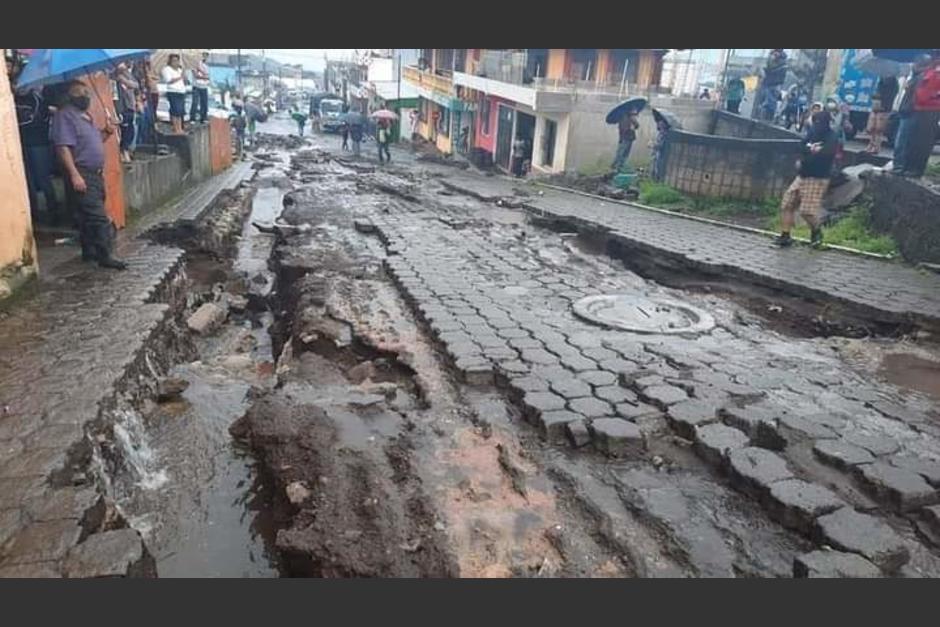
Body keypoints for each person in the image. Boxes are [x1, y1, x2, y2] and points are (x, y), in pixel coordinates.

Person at [50, 80, 126, 269]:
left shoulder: (85, 116)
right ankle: (105, 255)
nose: (84, 96)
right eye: (79, 92)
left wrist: (107, 132)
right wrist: (74, 174)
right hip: (81, 171)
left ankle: (89, 251)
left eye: (86, 92)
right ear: (69, 96)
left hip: (95, 173)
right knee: (98, 217)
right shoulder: (65, 116)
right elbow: (63, 147)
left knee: (86, 216)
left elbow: (93, 140)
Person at [772, 110, 838, 250]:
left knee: (806, 211)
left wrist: (812, 153)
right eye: (815, 122)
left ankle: (816, 232)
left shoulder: (832, 137)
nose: (817, 126)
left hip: (817, 177)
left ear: (826, 123)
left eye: (820, 123)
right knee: (787, 204)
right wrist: (809, 151)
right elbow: (801, 146)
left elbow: (825, 153)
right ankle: (785, 235)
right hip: (802, 175)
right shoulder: (812, 133)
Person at [9, 57, 62, 224]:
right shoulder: (12, 101)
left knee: (43, 179)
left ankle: (53, 211)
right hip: (22, 144)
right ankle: (34, 213)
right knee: (28, 181)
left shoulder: (38, 100)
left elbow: (39, 119)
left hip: (38, 143)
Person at [893, 54, 938, 177]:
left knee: (907, 141)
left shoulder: (928, 75)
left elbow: (922, 96)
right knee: (906, 141)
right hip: (910, 110)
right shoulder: (916, 76)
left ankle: (902, 167)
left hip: (917, 111)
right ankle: (902, 166)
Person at [113, 62, 139, 163]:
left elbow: (135, 85)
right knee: (122, 128)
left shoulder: (127, 74)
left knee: (130, 129)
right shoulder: (112, 76)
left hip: (129, 105)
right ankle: (121, 151)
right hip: (119, 106)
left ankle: (126, 150)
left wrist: (124, 80)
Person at [160, 53, 187, 135]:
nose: (176, 62)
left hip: (181, 91)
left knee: (180, 111)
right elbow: (169, 80)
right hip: (173, 91)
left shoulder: (179, 70)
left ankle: (180, 128)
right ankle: (176, 128)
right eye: (174, 61)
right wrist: (180, 77)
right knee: (175, 110)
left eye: (177, 61)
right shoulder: (166, 69)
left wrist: (184, 76)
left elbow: (184, 81)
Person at [189, 51, 210, 125]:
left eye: (206, 56)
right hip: (196, 86)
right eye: (203, 55)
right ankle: (192, 118)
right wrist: (204, 76)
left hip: (204, 86)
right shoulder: (194, 64)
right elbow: (196, 75)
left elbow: (208, 76)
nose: (205, 57)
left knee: (204, 103)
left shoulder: (206, 66)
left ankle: (203, 118)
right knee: (195, 103)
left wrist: (205, 77)